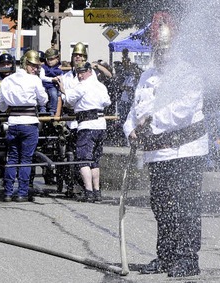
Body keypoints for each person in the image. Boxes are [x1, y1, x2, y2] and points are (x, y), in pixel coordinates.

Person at [123, 12, 207, 277]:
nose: (163, 53)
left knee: (185, 205)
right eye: (158, 48)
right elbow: (135, 111)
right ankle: (167, 255)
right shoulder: (146, 76)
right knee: (161, 205)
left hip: (185, 151)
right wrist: (130, 130)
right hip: (157, 153)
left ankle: (187, 257)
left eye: (167, 48)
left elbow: (182, 111)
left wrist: (150, 123)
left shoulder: (188, 73)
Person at [0, 50, 48, 202]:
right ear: (27, 64)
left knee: (12, 158)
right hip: (29, 121)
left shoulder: (8, 80)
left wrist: (8, 107)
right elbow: (43, 99)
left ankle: (8, 192)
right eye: (34, 66)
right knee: (25, 159)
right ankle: (22, 192)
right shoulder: (34, 80)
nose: (36, 69)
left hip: (13, 121)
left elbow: (0, 103)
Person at [61, 62, 111, 202]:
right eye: (78, 73)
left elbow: (69, 101)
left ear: (89, 71)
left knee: (83, 160)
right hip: (101, 124)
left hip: (87, 125)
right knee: (95, 160)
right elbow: (107, 102)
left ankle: (88, 191)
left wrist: (63, 89)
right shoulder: (100, 86)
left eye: (82, 72)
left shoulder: (81, 86)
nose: (80, 76)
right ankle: (97, 191)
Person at [40, 48, 63, 113]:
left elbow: (62, 77)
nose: (49, 61)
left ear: (57, 59)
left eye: (52, 59)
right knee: (41, 95)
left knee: (54, 94)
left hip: (53, 86)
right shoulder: (43, 67)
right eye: (48, 59)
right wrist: (52, 79)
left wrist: (59, 78)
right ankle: (42, 108)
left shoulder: (59, 68)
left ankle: (52, 110)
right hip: (43, 85)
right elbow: (42, 77)